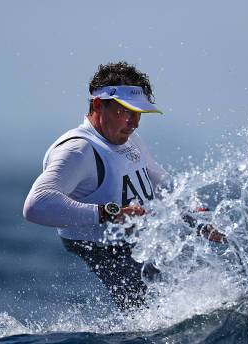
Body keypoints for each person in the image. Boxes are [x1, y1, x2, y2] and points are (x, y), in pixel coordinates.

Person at [24, 61, 224, 310]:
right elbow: (36, 205)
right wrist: (109, 212)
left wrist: (197, 219)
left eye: (139, 112)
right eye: (126, 111)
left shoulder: (129, 140)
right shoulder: (78, 150)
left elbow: (162, 183)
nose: (135, 121)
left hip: (140, 241)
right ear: (99, 105)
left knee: (201, 292)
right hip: (105, 249)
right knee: (154, 314)